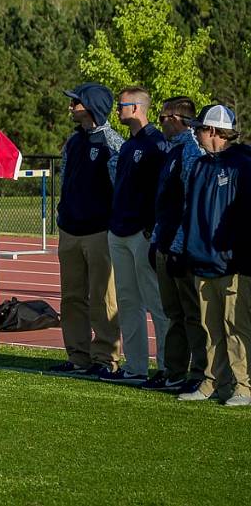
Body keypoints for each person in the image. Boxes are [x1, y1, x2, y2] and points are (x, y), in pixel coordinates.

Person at [176, 105, 251, 406]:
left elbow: (243, 217)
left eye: (199, 129)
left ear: (214, 132)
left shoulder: (242, 165)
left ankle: (243, 386)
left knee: (236, 328)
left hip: (230, 263)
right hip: (202, 259)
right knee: (210, 329)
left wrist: (239, 254)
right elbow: (192, 212)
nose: (195, 133)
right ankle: (213, 381)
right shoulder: (201, 165)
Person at [49, 82, 124, 377]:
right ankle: (78, 356)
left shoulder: (112, 143)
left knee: (103, 298)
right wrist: (62, 213)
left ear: (91, 105)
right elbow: (67, 180)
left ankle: (106, 358)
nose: (70, 106)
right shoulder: (73, 142)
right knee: (71, 298)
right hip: (70, 230)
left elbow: (120, 187)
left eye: (75, 102)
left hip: (98, 232)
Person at [102, 87, 169, 385]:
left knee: (156, 301)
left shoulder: (156, 143)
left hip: (142, 233)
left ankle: (168, 367)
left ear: (136, 108)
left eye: (121, 106)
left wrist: (151, 225)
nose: (117, 110)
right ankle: (136, 367)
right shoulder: (129, 146)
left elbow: (161, 190)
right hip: (119, 230)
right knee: (128, 301)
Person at [146, 96, 207, 394]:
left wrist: (179, 246)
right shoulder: (172, 151)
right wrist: (157, 240)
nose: (161, 122)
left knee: (192, 314)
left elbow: (188, 204)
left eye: (164, 116)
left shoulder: (190, 151)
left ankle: (199, 372)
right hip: (165, 243)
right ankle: (173, 370)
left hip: (180, 248)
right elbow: (165, 203)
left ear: (178, 118)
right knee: (174, 314)